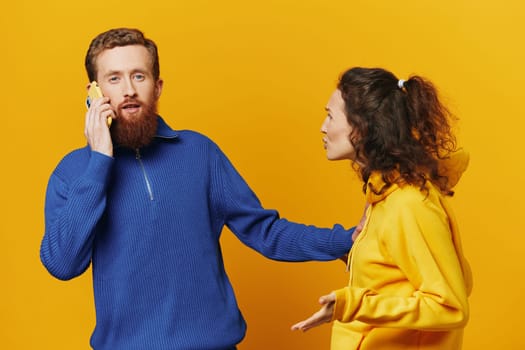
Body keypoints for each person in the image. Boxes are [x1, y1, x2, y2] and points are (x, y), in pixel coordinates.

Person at [39, 28, 358, 350]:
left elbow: (264, 231)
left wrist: (346, 240)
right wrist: (99, 161)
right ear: (93, 93)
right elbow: (63, 264)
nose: (129, 90)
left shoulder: (199, 153)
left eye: (139, 76)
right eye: (114, 79)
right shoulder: (73, 173)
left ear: (158, 86)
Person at [291, 67, 473, 350]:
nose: (323, 127)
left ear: (361, 127)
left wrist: (353, 304)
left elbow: (449, 305)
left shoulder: (409, 204)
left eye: (330, 116)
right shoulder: (383, 197)